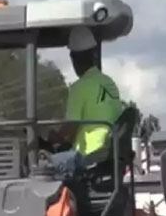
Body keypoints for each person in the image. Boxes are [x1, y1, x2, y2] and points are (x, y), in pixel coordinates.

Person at [46, 26, 124, 181]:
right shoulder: (110, 83)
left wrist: (52, 138)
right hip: (107, 151)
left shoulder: (79, 88)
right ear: (94, 55)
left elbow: (69, 131)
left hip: (89, 155)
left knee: (43, 167)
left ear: (74, 59)